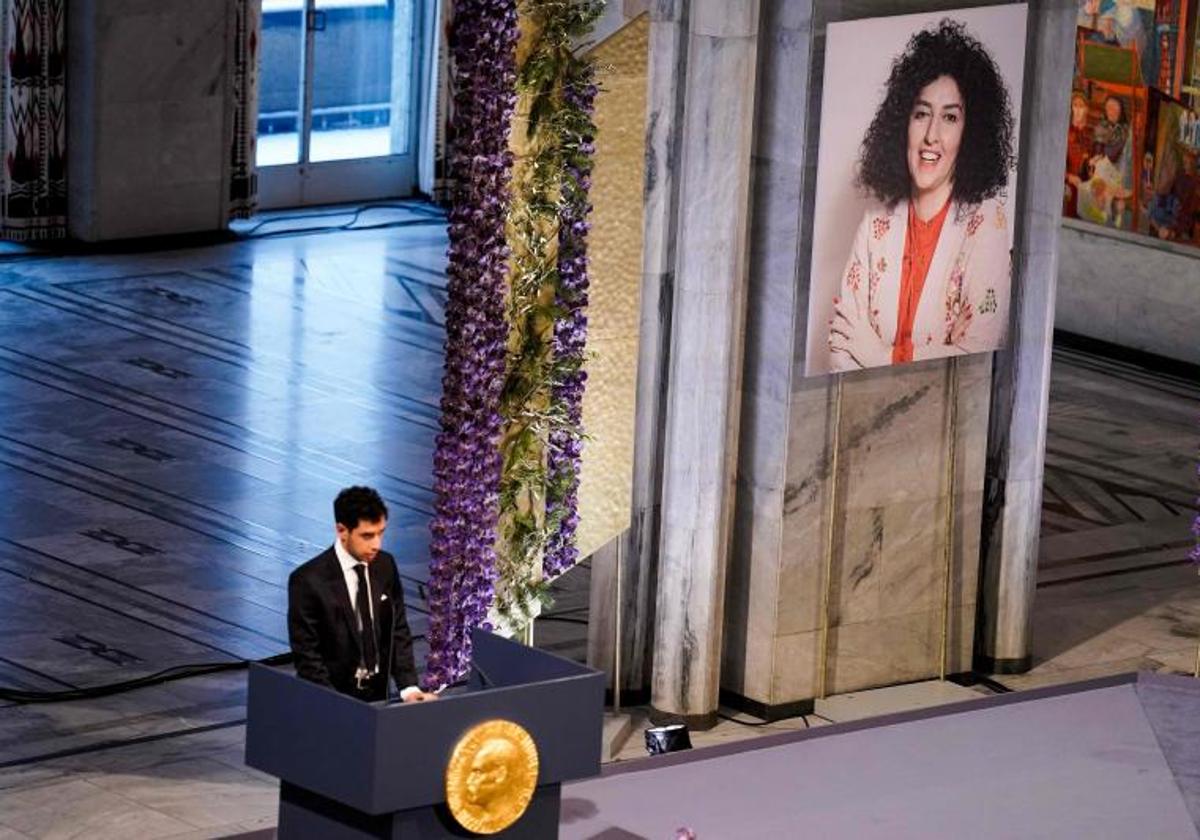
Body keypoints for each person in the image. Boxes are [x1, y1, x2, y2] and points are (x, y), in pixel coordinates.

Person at [827, 20, 1014, 371]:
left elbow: (978, 349)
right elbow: (840, 340)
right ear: (903, 123)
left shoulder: (987, 221)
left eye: (950, 118)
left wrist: (884, 356)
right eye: (922, 113)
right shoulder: (875, 223)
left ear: (970, 133)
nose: (931, 135)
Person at [287, 486, 438, 703]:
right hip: (332, 703)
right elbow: (308, 657)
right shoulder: (308, 581)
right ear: (342, 531)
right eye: (367, 536)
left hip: (378, 698)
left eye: (380, 533)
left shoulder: (385, 566)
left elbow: (398, 630)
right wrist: (337, 706)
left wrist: (409, 687)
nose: (376, 544)